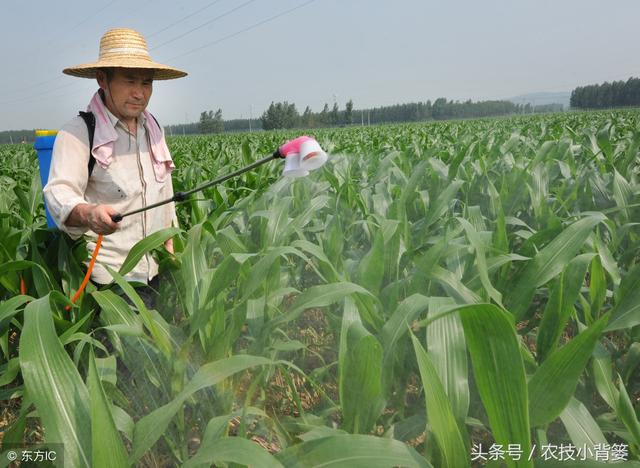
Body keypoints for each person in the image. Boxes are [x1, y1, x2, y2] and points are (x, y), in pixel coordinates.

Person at [43, 28, 187, 306]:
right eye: (129, 80)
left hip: (158, 270)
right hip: (112, 282)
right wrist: (89, 213)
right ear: (102, 79)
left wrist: (171, 236)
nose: (139, 93)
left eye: (146, 83)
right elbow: (59, 193)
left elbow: (164, 189)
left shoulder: (153, 128)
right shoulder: (79, 133)